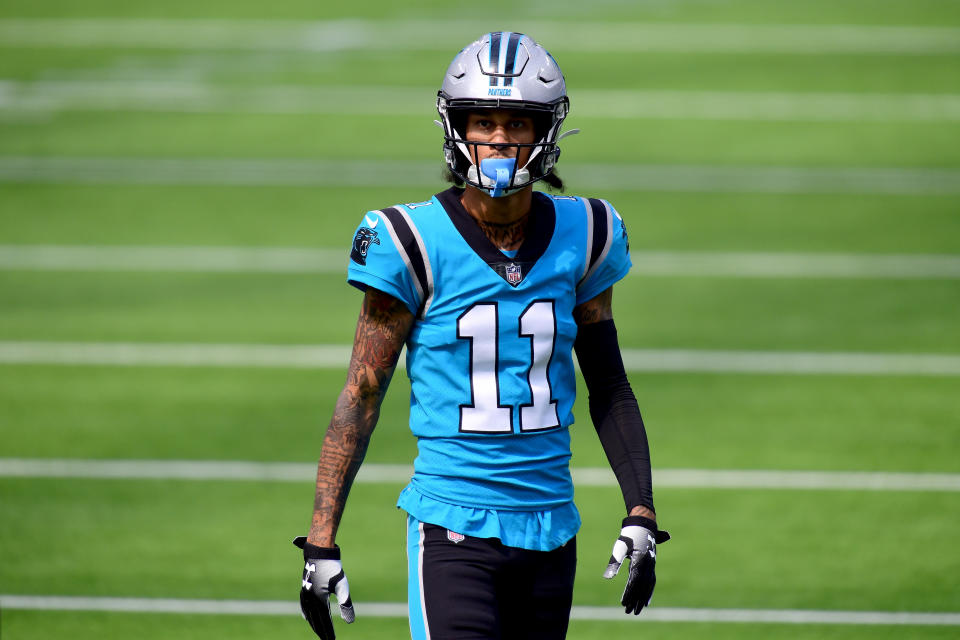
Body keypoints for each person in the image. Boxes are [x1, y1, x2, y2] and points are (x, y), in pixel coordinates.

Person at [294, 31, 669, 640]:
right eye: (482, 120)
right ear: (455, 125)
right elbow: (362, 393)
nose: (498, 137)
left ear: (545, 129)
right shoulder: (410, 240)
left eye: (517, 122)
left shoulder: (588, 231)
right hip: (452, 527)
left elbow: (609, 383)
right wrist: (320, 539)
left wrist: (641, 509)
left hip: (551, 528)